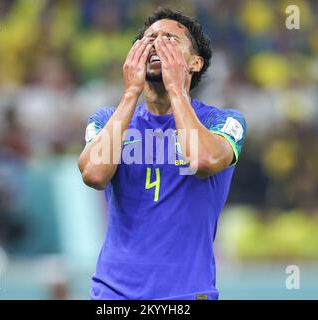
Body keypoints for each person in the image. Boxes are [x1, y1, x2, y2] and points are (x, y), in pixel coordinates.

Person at [78, 8, 246, 300]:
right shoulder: (108, 120)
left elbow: (203, 160)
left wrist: (177, 90)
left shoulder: (222, 122)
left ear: (195, 63)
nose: (157, 44)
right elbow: (94, 174)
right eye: (149, 39)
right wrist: (130, 93)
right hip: (112, 295)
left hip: (186, 295)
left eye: (170, 39)